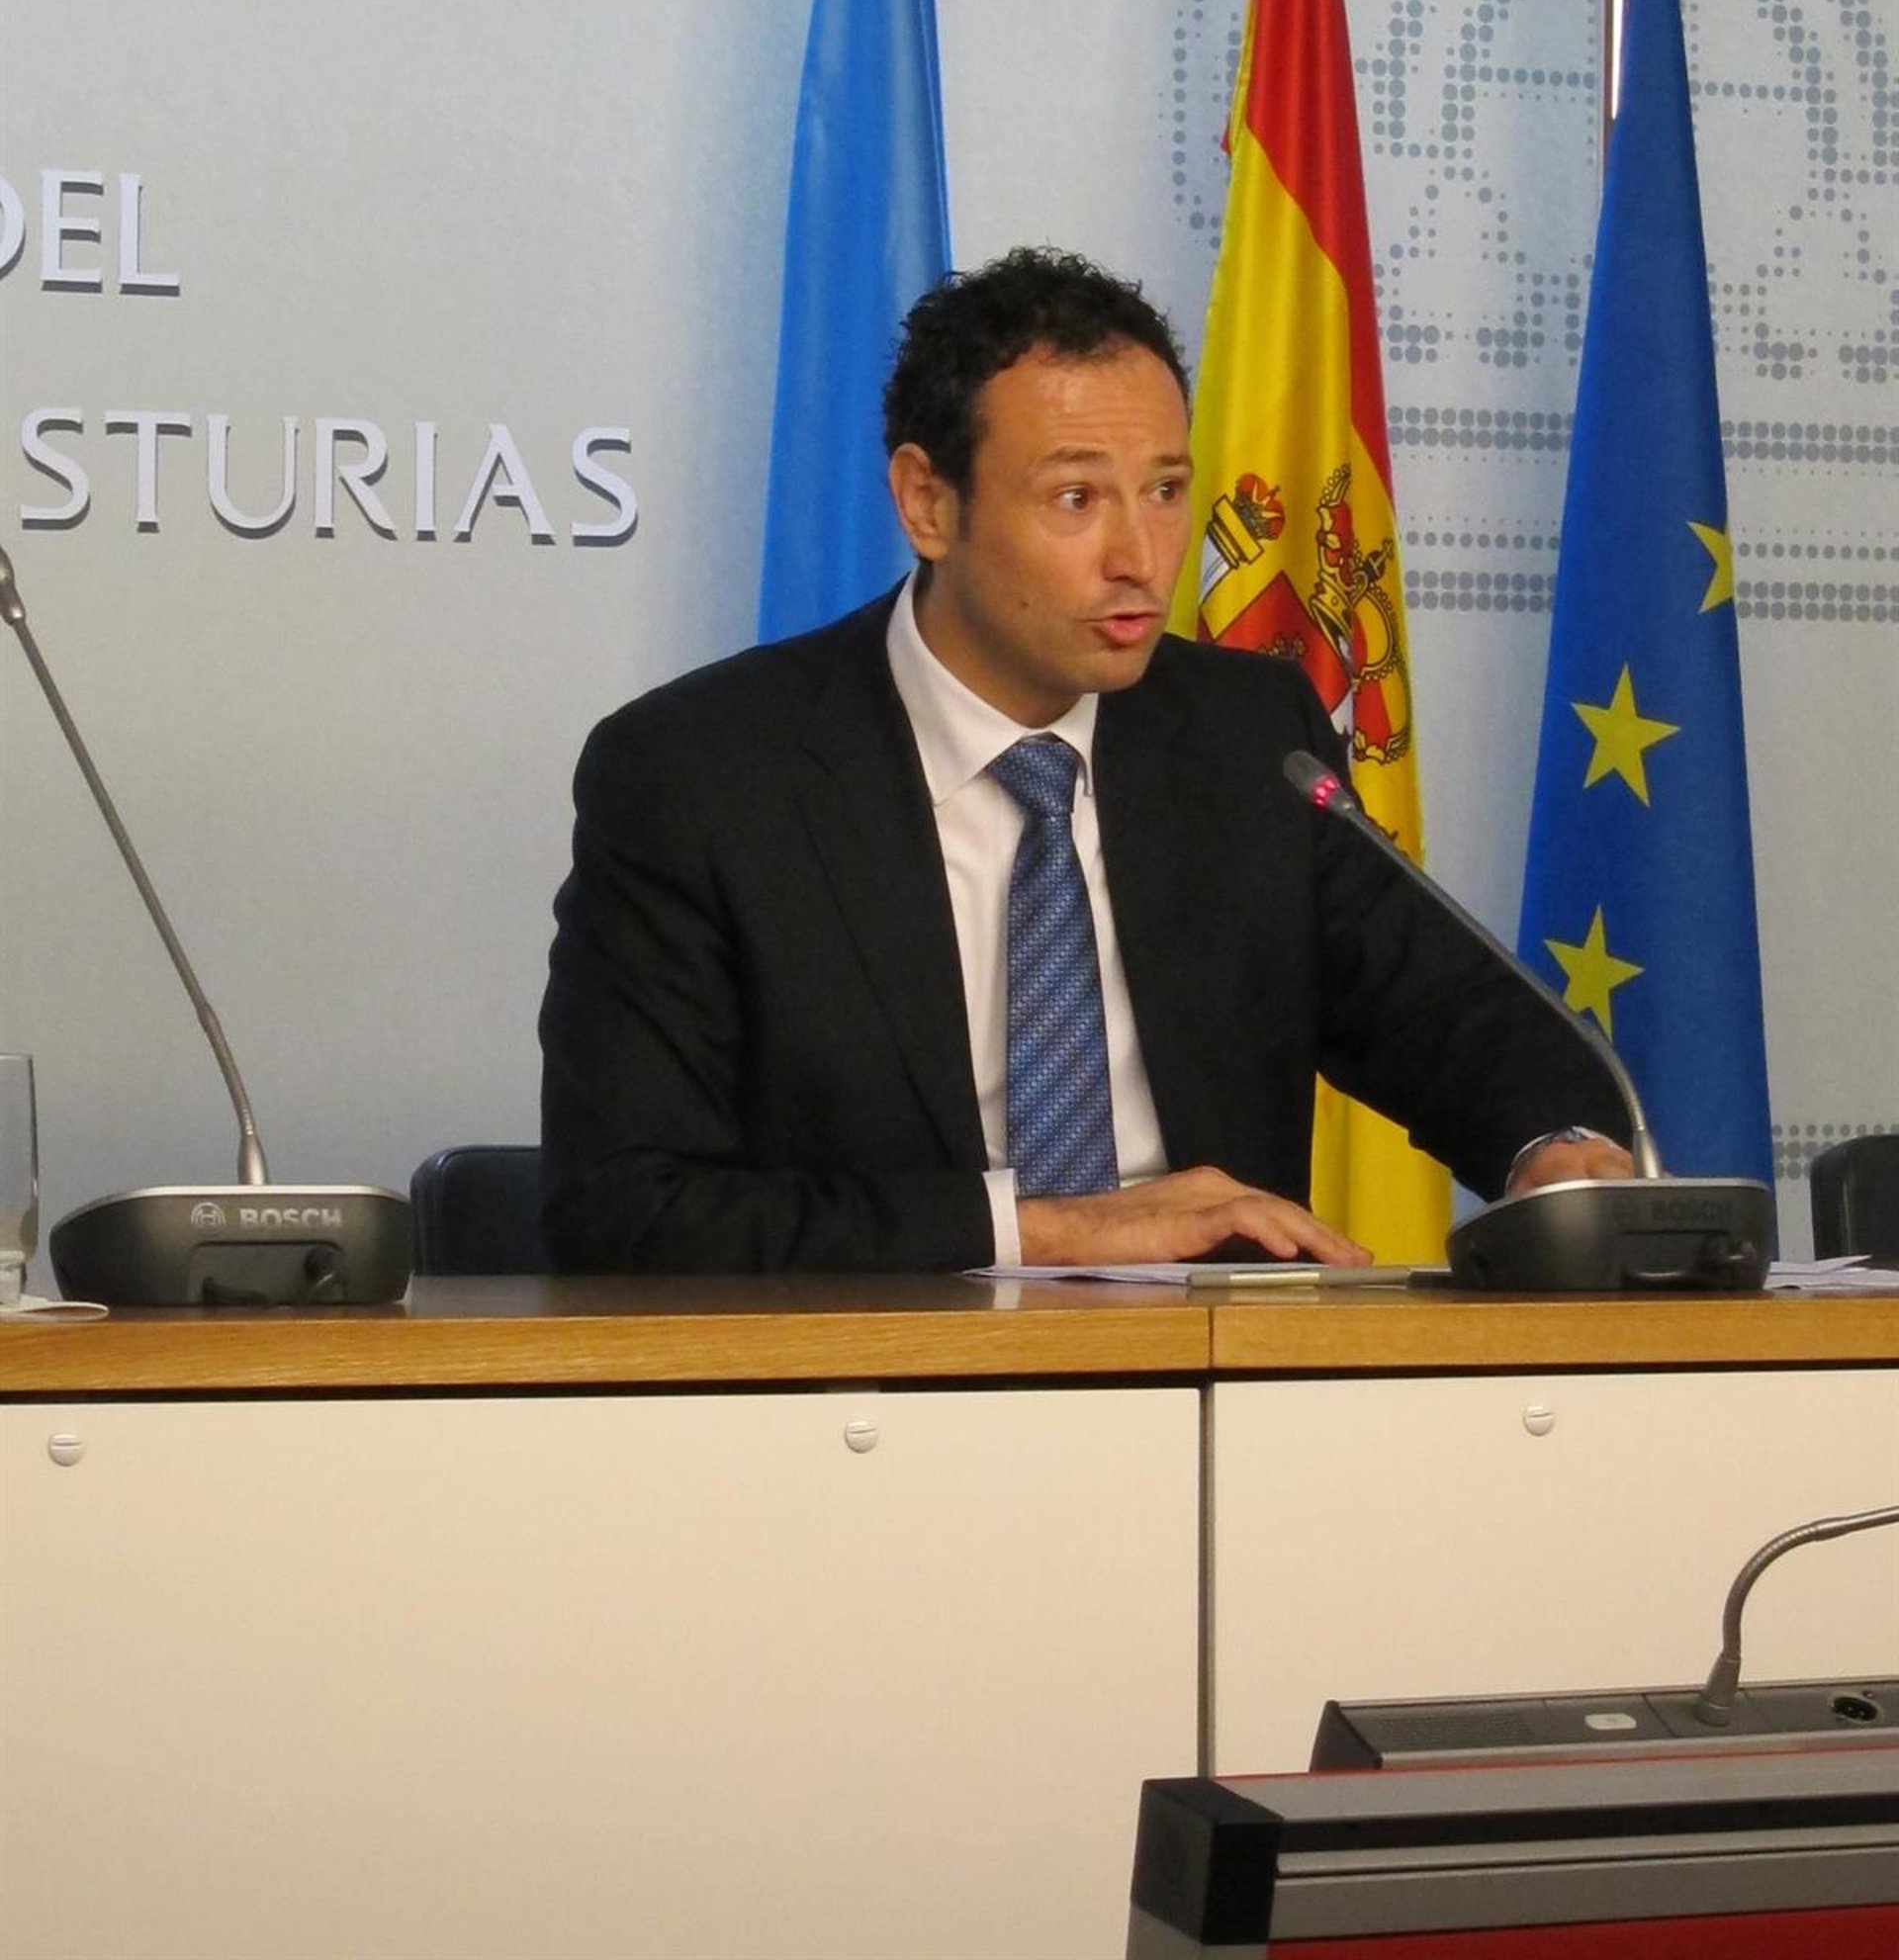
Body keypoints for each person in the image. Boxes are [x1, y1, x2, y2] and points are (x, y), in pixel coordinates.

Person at [540, 246, 1631, 1272]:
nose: (1140, 557)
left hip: (1216, 1377)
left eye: (1165, 490)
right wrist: (1047, 1230)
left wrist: (1553, 1144)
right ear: (928, 503)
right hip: (878, 1379)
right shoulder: (703, 776)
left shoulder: (1249, 737)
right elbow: (624, 1205)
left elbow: (1449, 1017)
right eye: (1076, 498)